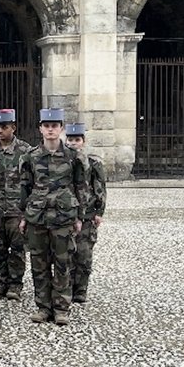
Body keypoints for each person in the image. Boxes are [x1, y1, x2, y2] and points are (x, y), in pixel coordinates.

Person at [18, 108, 89, 325]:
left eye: (55, 126)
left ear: (61, 129)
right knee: (39, 264)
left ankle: (61, 308)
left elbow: (81, 187)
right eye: (47, 126)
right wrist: (23, 216)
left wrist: (79, 217)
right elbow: (24, 187)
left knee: (63, 263)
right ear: (40, 128)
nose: (50, 130)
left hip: (63, 216)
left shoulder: (73, 157)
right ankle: (43, 308)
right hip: (37, 216)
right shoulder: (30, 157)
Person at [0, 109, 32, 301]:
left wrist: (27, 211)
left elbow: (31, 181)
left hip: (16, 210)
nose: (0, 131)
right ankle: (0, 282)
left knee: (17, 250)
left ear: (13, 127)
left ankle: (15, 285)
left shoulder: (26, 151)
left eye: (4, 127)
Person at [63, 123, 106, 303]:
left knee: (84, 253)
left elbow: (100, 188)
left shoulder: (93, 163)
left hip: (87, 215)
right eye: (70, 140)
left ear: (83, 141)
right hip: (67, 214)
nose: (73, 143)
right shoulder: (62, 162)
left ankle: (81, 289)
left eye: (77, 140)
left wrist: (99, 211)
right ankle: (67, 287)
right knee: (66, 254)